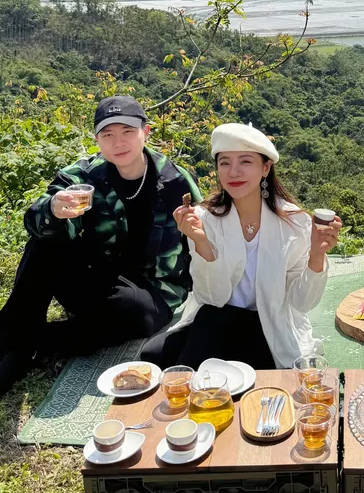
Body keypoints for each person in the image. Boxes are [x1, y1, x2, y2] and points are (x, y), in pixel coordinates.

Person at [0, 96, 201, 407]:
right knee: (47, 238)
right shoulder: (84, 177)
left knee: (134, 313)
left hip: (153, 292)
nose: (118, 142)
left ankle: (24, 341)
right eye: (108, 134)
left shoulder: (175, 182)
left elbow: (203, 238)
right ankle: (11, 352)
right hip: (99, 277)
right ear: (97, 139)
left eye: (128, 132)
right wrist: (53, 209)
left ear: (146, 132)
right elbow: (34, 220)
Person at [141, 123, 341, 370]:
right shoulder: (205, 219)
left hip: (266, 323)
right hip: (216, 316)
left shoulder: (294, 223)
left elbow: (302, 303)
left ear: (265, 168)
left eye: (245, 161)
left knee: (211, 368)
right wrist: (201, 242)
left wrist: (317, 255)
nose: (233, 172)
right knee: (152, 355)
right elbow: (211, 297)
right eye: (225, 163)